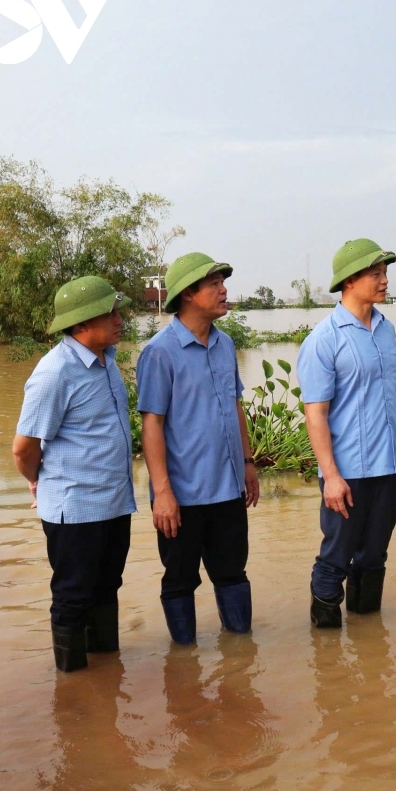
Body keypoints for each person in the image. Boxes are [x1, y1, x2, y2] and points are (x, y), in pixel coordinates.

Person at [13, 276, 136, 672]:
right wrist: (37, 481)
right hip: (75, 508)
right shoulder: (55, 372)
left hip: (114, 502)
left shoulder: (108, 358)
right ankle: (72, 687)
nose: (120, 319)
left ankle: (105, 674)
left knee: (107, 588)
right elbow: (23, 447)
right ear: (82, 323)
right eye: (111, 313)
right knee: (72, 595)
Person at [136, 252, 260, 645]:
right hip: (182, 496)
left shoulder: (225, 345)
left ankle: (240, 656)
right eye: (215, 285)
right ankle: (184, 664)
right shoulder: (160, 352)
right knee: (179, 580)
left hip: (227, 488)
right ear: (188, 294)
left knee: (233, 573)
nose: (224, 291)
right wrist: (163, 493)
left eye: (223, 283)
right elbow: (151, 424)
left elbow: (235, 406)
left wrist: (248, 462)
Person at [298, 239, 396, 629]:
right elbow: (316, 414)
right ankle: (326, 647)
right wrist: (330, 476)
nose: (384, 280)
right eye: (375, 274)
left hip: (388, 465)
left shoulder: (384, 328)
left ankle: (367, 639)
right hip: (347, 471)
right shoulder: (324, 340)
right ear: (349, 281)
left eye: (384, 273)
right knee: (336, 554)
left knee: (375, 554)